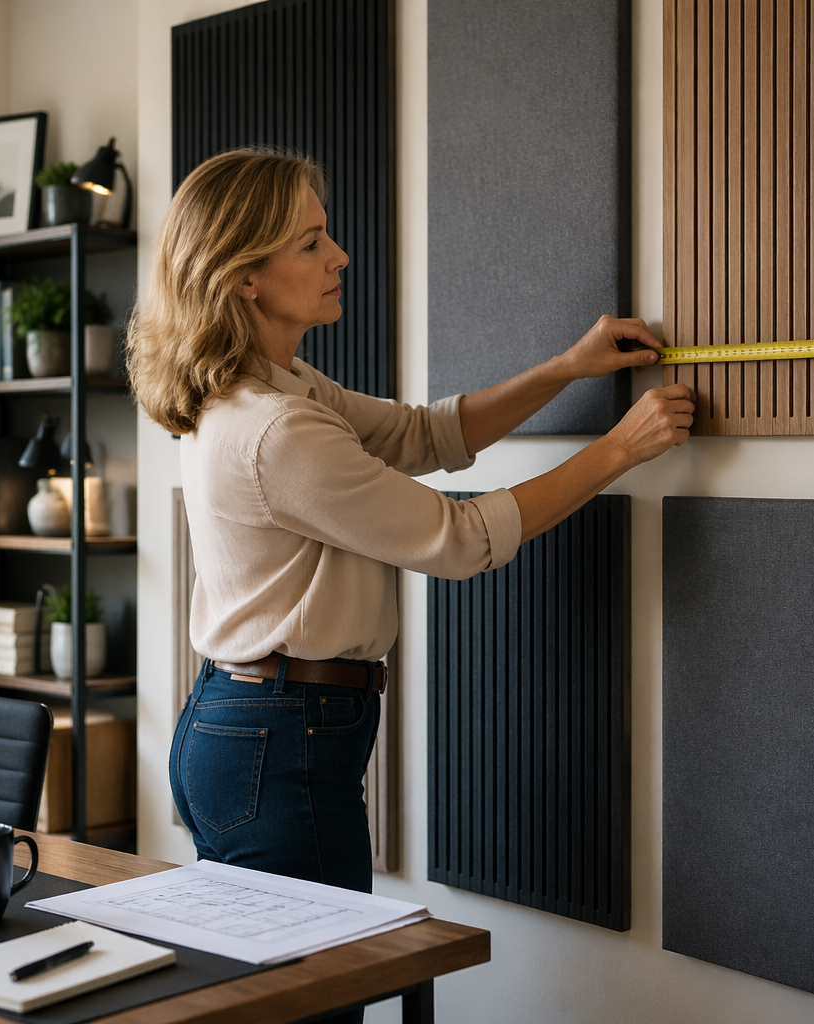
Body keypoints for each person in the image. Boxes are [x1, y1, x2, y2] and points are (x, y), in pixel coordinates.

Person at [129, 145, 691, 922]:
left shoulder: (271, 386)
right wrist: (621, 448)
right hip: (281, 739)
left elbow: (426, 434)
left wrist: (566, 368)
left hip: (254, 728)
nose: (340, 255)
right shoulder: (273, 428)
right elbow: (458, 539)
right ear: (243, 276)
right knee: (321, 992)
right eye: (311, 243)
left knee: (287, 992)